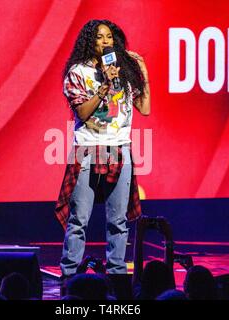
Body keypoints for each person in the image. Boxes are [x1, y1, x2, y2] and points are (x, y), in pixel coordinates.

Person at [55, 19, 150, 279]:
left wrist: (142, 71)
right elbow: (84, 113)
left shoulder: (125, 70)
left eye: (109, 36)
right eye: (99, 37)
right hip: (87, 150)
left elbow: (145, 109)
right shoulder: (78, 72)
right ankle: (70, 277)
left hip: (120, 149)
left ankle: (118, 276)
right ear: (90, 41)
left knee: (118, 221)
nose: (105, 41)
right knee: (78, 220)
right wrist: (105, 86)